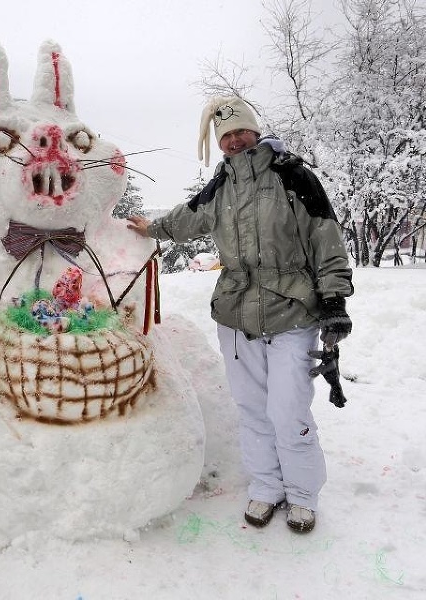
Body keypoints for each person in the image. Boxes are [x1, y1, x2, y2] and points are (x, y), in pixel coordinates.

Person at [126, 96, 353, 533]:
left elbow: (326, 238)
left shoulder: (292, 175)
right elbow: (187, 218)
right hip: (235, 313)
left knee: (288, 410)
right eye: (225, 135)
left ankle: (303, 494)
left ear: (254, 131)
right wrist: (149, 228)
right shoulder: (221, 186)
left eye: (239, 132)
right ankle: (266, 486)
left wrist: (335, 301)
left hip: (292, 310)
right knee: (252, 408)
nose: (233, 141)